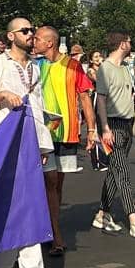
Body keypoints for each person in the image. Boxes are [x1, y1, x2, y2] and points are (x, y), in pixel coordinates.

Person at [0, 17, 54, 268]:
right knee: (12, 201)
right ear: (11, 36)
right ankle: (6, 265)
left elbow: (38, 105)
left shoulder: (33, 66)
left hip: (29, 141)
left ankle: (13, 266)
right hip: (3, 142)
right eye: (25, 31)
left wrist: (43, 145)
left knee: (27, 200)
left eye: (32, 30)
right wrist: (0, 95)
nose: (31, 34)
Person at [35, 24, 96, 255]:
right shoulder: (35, 65)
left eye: (38, 39)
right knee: (49, 180)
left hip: (66, 132)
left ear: (49, 42)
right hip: (41, 133)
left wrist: (91, 130)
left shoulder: (73, 66)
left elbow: (84, 98)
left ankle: (50, 226)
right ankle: (55, 234)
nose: (34, 42)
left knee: (56, 183)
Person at [93, 31, 135, 238]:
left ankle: (102, 213)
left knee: (114, 172)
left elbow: (124, 93)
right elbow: (101, 101)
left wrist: (134, 104)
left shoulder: (125, 69)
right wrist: (104, 129)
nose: (132, 44)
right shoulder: (105, 69)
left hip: (127, 123)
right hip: (112, 125)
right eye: (130, 41)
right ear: (122, 44)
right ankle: (133, 218)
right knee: (122, 171)